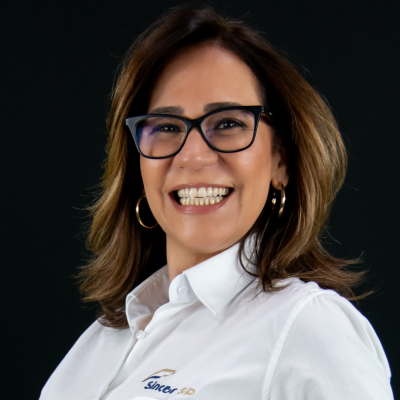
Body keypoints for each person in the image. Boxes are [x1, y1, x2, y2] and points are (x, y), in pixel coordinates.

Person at [40, 4, 394, 400]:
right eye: (166, 126)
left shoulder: (308, 328)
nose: (193, 157)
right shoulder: (106, 336)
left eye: (228, 123)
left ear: (281, 160)